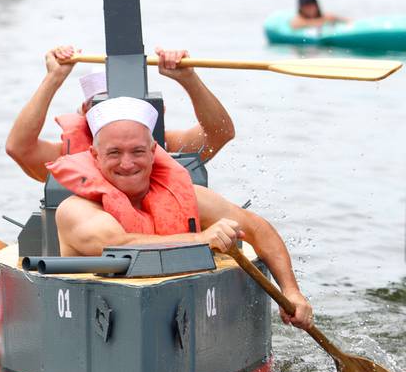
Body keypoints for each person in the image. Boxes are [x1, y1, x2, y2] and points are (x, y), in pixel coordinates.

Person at [51, 96, 313, 330]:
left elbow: (257, 229)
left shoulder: (187, 197)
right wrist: (201, 239)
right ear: (95, 156)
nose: (127, 163)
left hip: (183, 315)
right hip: (98, 322)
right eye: (114, 153)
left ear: (154, 152)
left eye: (138, 152)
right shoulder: (74, 210)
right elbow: (118, 245)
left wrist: (291, 292)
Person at [5, 46, 235, 182]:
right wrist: (53, 78)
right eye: (105, 109)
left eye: (131, 108)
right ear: (85, 112)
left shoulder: (168, 145)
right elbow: (19, 147)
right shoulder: (66, 157)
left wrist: (189, 79)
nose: (119, 118)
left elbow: (220, 133)